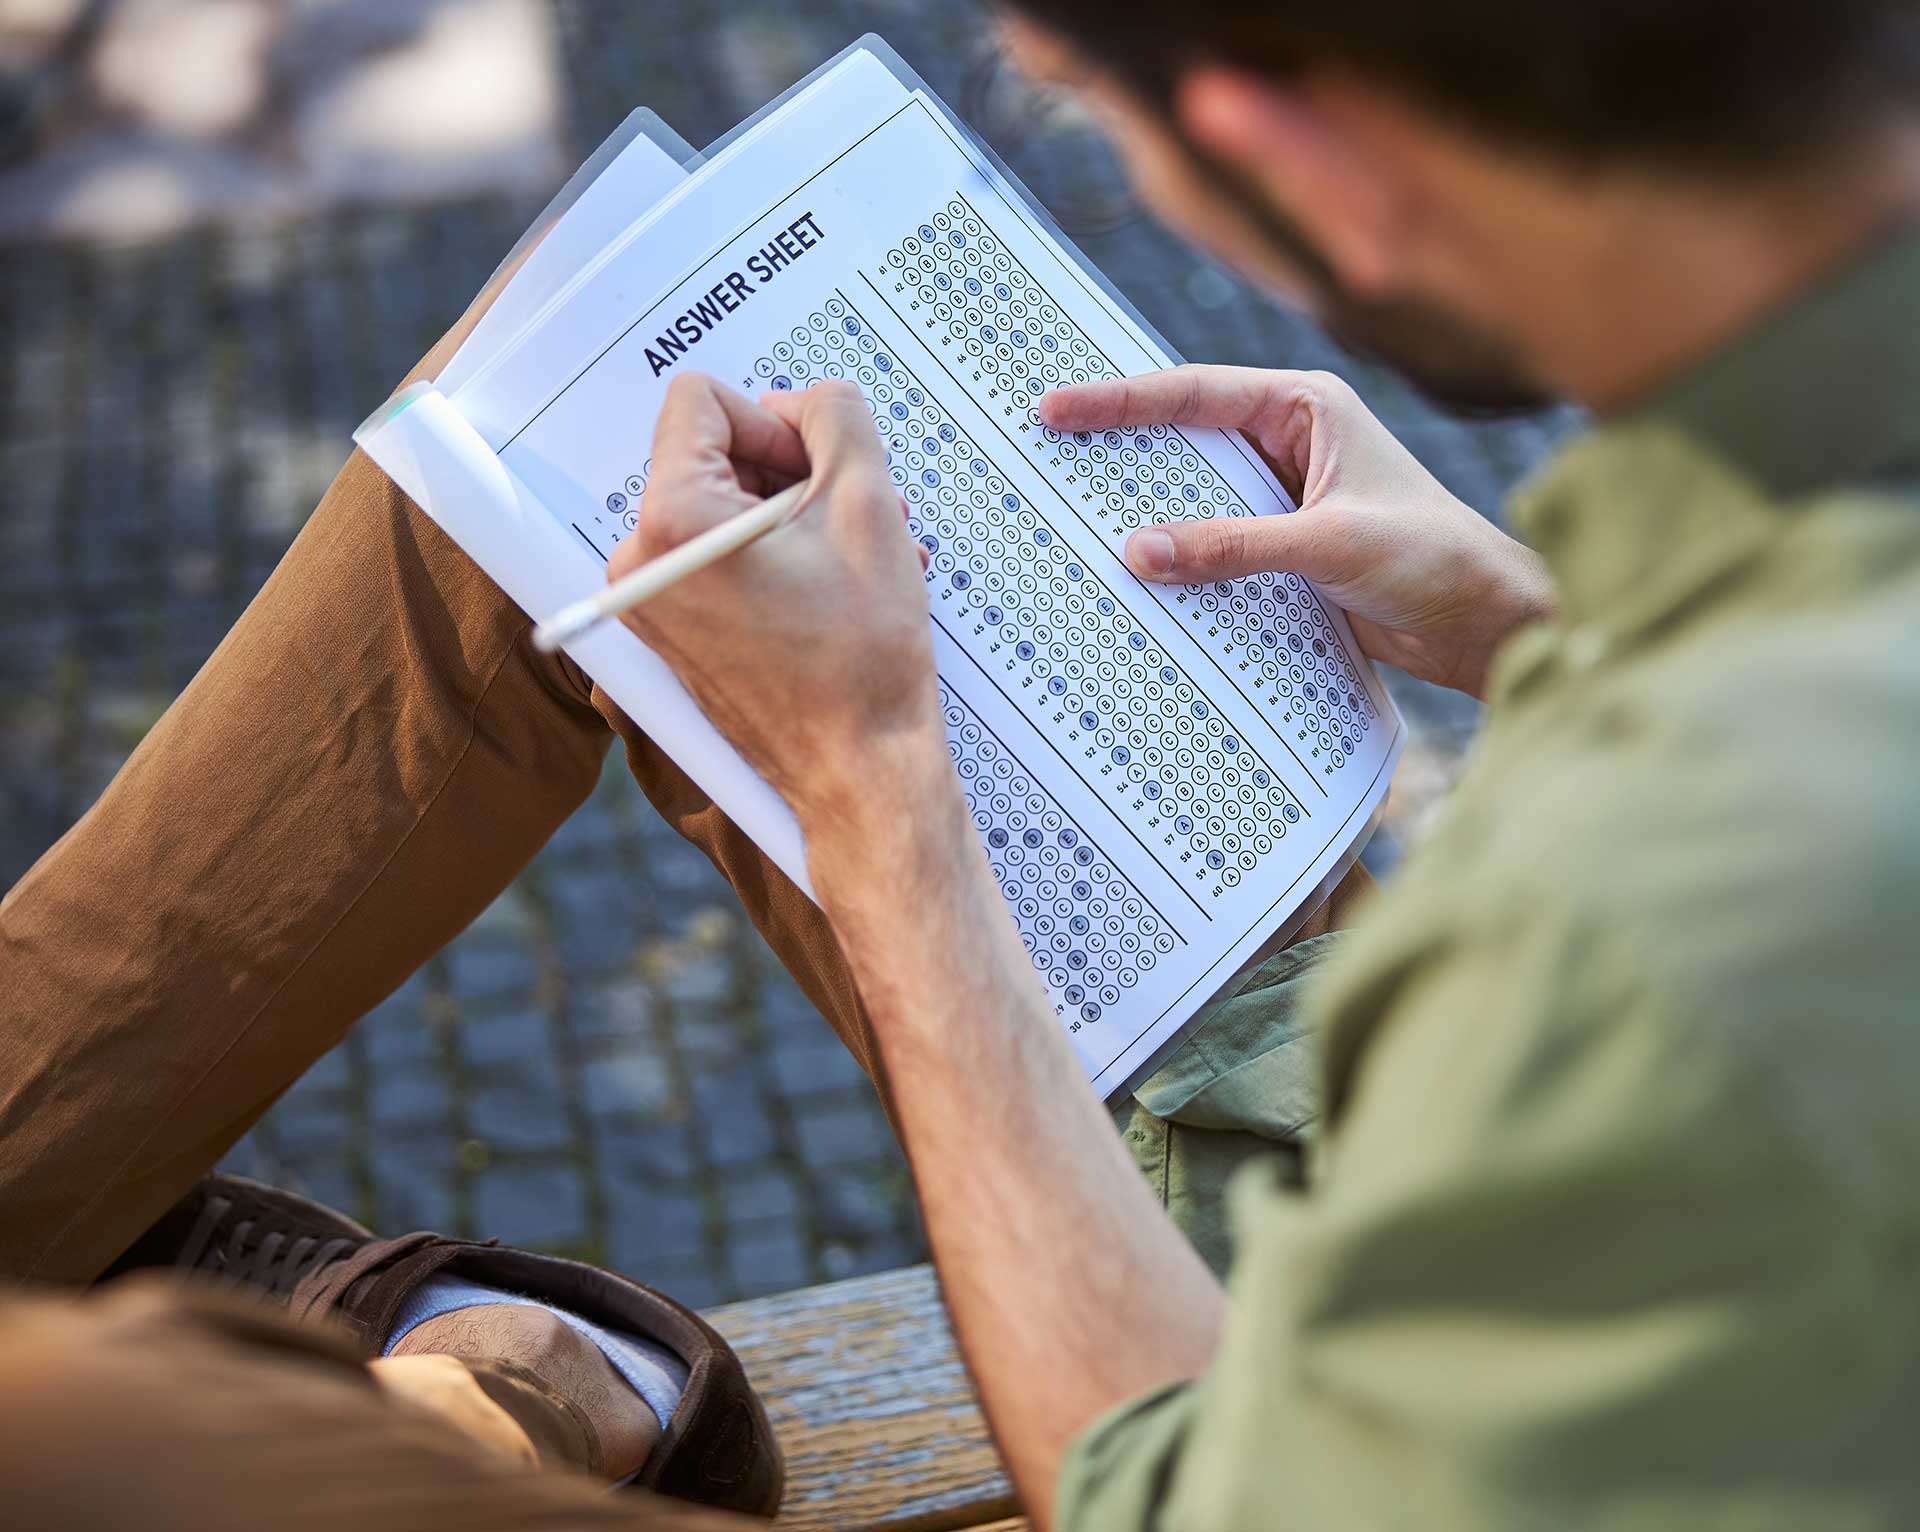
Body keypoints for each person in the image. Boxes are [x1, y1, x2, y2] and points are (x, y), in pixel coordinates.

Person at [3, 0, 1917, 1527]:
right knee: (539, 428)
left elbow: (1197, 1480)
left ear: (1300, 149)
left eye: (1112, 121)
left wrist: (872, 780)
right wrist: (1529, 624)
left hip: (1278, 1339)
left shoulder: (1655, 940)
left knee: (576, 506)